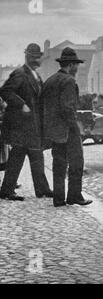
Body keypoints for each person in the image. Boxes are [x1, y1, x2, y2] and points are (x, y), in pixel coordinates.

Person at [0, 43, 52, 201]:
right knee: (18, 158)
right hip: (21, 127)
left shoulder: (36, 75)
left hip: (33, 126)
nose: (38, 60)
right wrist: (21, 104)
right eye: (35, 57)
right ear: (28, 57)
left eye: (38, 57)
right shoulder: (20, 73)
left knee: (36, 157)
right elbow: (5, 91)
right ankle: (7, 191)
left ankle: (41, 189)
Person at [42, 47, 92, 207]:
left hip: (54, 131)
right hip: (68, 129)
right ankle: (74, 196)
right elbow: (67, 108)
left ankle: (58, 199)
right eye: (76, 64)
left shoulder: (49, 80)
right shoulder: (69, 81)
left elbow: (42, 105)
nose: (77, 68)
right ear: (70, 65)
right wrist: (75, 127)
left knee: (58, 164)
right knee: (76, 162)